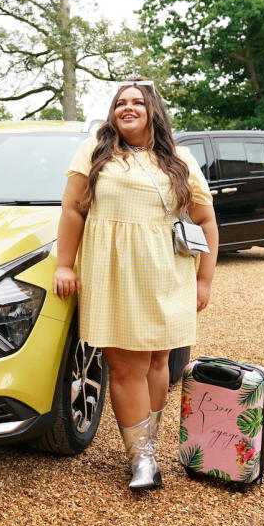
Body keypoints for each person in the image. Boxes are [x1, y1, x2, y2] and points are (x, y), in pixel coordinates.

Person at [53, 79, 218, 490]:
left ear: (153, 111)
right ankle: (141, 459)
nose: (127, 108)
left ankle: (149, 445)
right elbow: (73, 211)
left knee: (159, 362)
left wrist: (205, 279)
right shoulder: (95, 150)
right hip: (113, 273)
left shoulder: (179, 159)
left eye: (137, 103)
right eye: (120, 103)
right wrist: (64, 265)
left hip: (167, 273)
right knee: (126, 367)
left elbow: (206, 221)